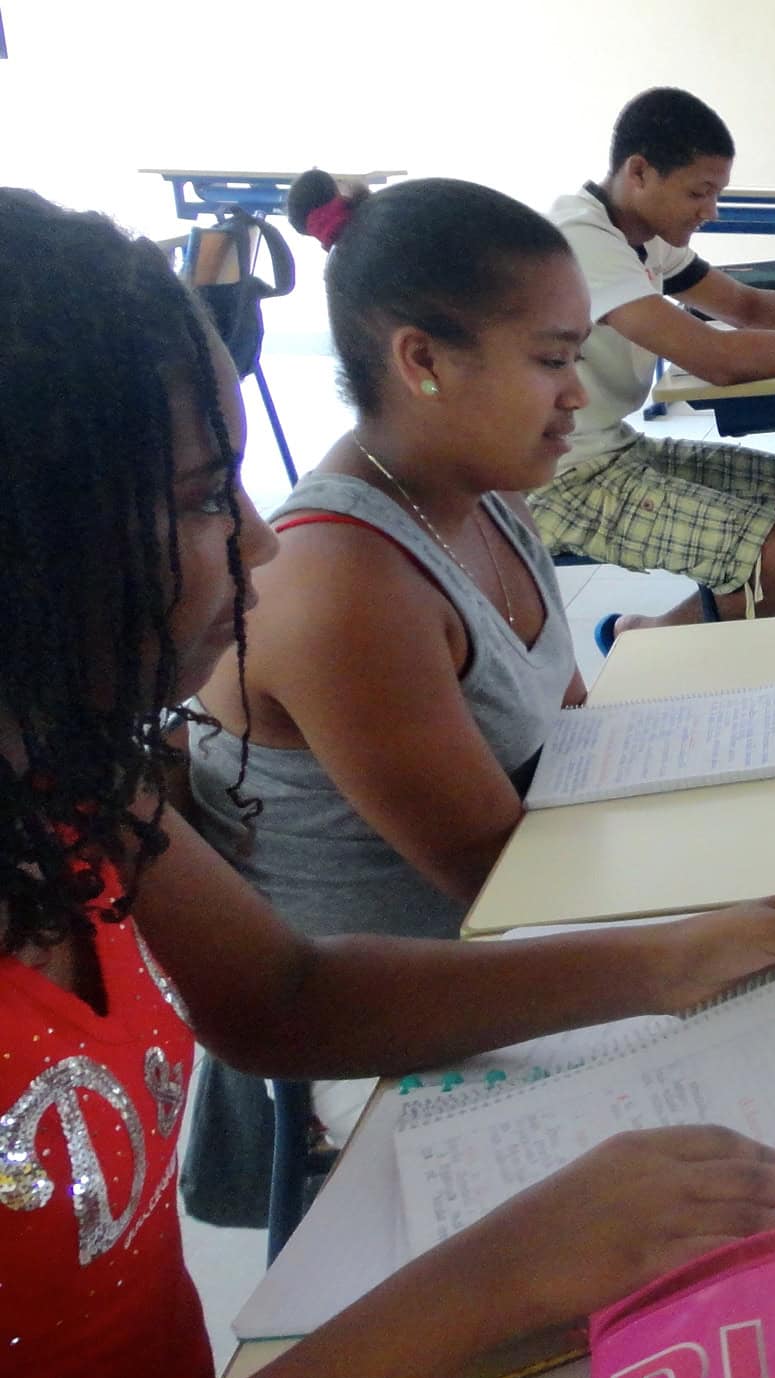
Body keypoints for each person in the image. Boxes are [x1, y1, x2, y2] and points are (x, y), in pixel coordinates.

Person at [0, 187, 775, 1378]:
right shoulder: (315, 595)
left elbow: (285, 994)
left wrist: (670, 958)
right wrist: (482, 1280)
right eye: (191, 502)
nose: (257, 544)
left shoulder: (60, 778)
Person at [176, 174, 593, 1224]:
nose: (578, 393)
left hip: (510, 919)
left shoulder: (482, 489)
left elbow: (579, 725)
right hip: (424, 981)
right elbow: (503, 887)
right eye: (551, 360)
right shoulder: (342, 583)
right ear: (422, 362)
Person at [531, 86, 775, 646]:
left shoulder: (644, 236)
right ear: (639, 172)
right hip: (559, 478)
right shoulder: (581, 240)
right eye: (699, 192)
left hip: (610, 446)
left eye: (717, 192)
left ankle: (694, 634)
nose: (710, 210)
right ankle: (653, 643)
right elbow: (716, 359)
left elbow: (746, 306)